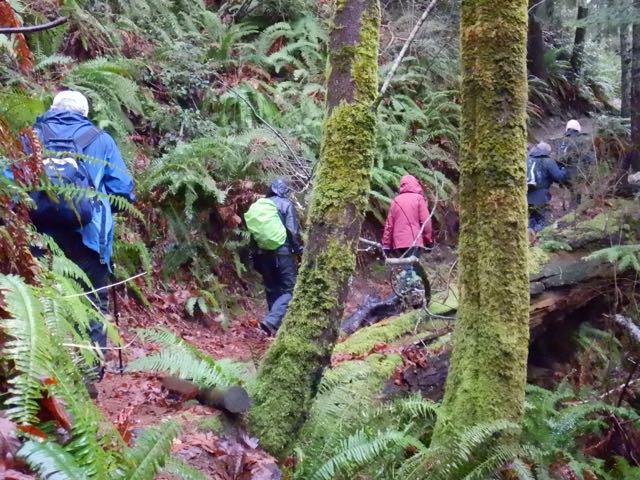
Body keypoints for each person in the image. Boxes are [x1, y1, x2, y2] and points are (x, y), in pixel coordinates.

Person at [22, 91, 135, 385]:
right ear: (84, 113)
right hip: (89, 238)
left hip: (37, 235)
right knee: (91, 305)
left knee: (39, 304)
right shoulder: (101, 140)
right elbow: (122, 189)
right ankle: (88, 379)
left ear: (53, 109)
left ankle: (41, 377)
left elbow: (9, 179)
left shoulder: (30, 135)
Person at [246, 179, 302, 336]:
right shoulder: (286, 204)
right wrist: (298, 249)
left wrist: (254, 255)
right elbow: (292, 231)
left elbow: (254, 234)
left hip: (263, 254)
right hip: (282, 254)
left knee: (272, 289)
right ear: (285, 191)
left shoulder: (260, 206)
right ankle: (271, 321)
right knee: (290, 290)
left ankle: (272, 329)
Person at [382, 175, 433, 298]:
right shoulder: (418, 199)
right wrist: (428, 240)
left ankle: (412, 295)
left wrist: (386, 245)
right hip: (415, 240)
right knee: (411, 269)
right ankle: (406, 297)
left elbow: (389, 225)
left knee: (409, 267)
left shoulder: (396, 201)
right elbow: (426, 223)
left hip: (399, 242)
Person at [527, 142, 568, 231]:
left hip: (525, 195)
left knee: (532, 218)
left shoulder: (527, 159)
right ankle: (540, 234)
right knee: (542, 219)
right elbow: (559, 177)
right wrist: (564, 169)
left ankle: (530, 233)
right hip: (541, 196)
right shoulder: (547, 161)